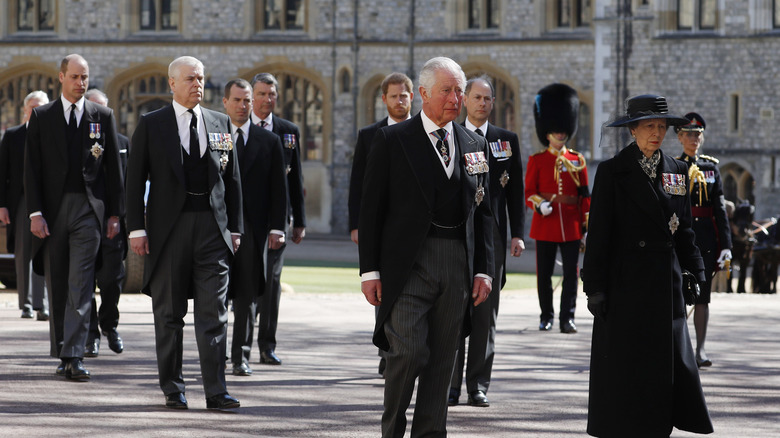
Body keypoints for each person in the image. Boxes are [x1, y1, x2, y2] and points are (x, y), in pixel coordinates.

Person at [359, 56, 494, 437]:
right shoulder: (391, 141)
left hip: (457, 262)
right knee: (409, 351)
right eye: (447, 91)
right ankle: (392, 429)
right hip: (408, 264)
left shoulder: (474, 144)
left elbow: (484, 212)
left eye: (459, 91)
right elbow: (371, 211)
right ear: (423, 94)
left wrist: (483, 268)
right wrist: (370, 271)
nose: (456, 99)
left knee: (442, 362)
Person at [582, 94, 714, 437]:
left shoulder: (678, 170)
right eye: (648, 127)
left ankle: (658, 426)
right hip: (624, 284)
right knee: (628, 368)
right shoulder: (612, 172)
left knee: (664, 367)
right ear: (632, 131)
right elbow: (598, 235)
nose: (656, 133)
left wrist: (696, 272)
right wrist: (593, 286)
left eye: (661, 127)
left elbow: (685, 230)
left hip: (665, 286)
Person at [126, 56, 243, 410]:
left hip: (212, 229)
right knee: (169, 313)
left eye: (202, 78)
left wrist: (234, 228)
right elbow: (134, 181)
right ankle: (173, 389)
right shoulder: (152, 124)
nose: (198, 85)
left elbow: (232, 180)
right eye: (190, 78)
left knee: (215, 312)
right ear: (172, 83)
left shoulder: (220, 122)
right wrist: (136, 228)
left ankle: (216, 390)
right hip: (168, 230)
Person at [25, 54, 124, 380]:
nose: (81, 83)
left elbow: (113, 169)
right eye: (76, 77)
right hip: (52, 213)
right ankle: (62, 350)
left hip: (87, 210)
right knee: (58, 284)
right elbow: (32, 170)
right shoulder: (42, 116)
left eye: (85, 77)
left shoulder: (102, 115)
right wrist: (36, 213)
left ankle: (75, 354)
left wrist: (114, 213)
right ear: (61, 77)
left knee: (81, 285)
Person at [450, 76, 525, 408]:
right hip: (457, 235)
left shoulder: (506, 141)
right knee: (453, 313)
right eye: (477, 97)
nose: (482, 103)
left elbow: (516, 193)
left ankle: (477, 384)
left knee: (485, 314)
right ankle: (450, 385)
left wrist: (518, 234)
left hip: (492, 239)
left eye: (488, 98)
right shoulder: (451, 136)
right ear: (465, 100)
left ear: (493, 103)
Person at [347, 71, 413, 376]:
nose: (399, 100)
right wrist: (357, 225)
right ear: (383, 99)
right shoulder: (369, 135)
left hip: (413, 226)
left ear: (412, 97)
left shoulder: (422, 132)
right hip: (382, 229)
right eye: (394, 95)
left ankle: (406, 351)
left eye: (404, 95)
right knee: (384, 293)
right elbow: (358, 185)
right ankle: (387, 351)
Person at [223, 78, 288, 377]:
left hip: (253, 229)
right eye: (237, 100)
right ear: (225, 102)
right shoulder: (216, 135)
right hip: (219, 227)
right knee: (217, 294)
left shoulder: (269, 141)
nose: (243, 106)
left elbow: (279, 189)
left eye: (247, 101)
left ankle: (241, 356)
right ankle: (216, 353)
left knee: (247, 295)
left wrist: (278, 227)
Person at [249, 72, 306, 366]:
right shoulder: (238, 127)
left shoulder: (287, 131)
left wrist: (299, 221)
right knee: (246, 282)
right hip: (245, 220)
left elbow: (295, 178)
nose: (267, 99)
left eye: (271, 94)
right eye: (261, 94)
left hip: (277, 221)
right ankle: (241, 347)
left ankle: (266, 345)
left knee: (272, 284)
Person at [525, 83, 589, 334]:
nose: (560, 134)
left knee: (572, 276)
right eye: (555, 130)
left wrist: (585, 225)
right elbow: (529, 192)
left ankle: (567, 318)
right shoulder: (537, 160)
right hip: (546, 223)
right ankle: (546, 316)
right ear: (547, 132)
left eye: (563, 130)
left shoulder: (578, 160)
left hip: (571, 224)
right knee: (544, 275)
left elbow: (584, 195)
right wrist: (540, 205)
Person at [676, 112, 732, 368]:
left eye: (697, 134)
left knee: (703, 296)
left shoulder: (711, 168)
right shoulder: (674, 166)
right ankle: (678, 348)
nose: (693, 139)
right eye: (688, 134)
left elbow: (719, 211)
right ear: (679, 137)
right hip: (681, 237)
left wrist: (727, 246)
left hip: (706, 240)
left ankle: (700, 349)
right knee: (677, 293)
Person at [83, 88, 128, 357]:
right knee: (85, 281)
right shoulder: (77, 144)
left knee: (112, 280)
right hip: (87, 221)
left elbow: (130, 184)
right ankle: (91, 336)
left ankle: (109, 325)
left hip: (113, 225)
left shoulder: (123, 142)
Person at [0, 90, 49, 321]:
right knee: (24, 253)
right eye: (33, 107)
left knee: (48, 252)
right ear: (25, 110)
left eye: (42, 107)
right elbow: (2, 174)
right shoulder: (13, 135)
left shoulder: (55, 134)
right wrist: (2, 205)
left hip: (50, 201)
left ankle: (45, 304)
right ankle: (27, 304)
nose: (37, 111)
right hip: (21, 201)